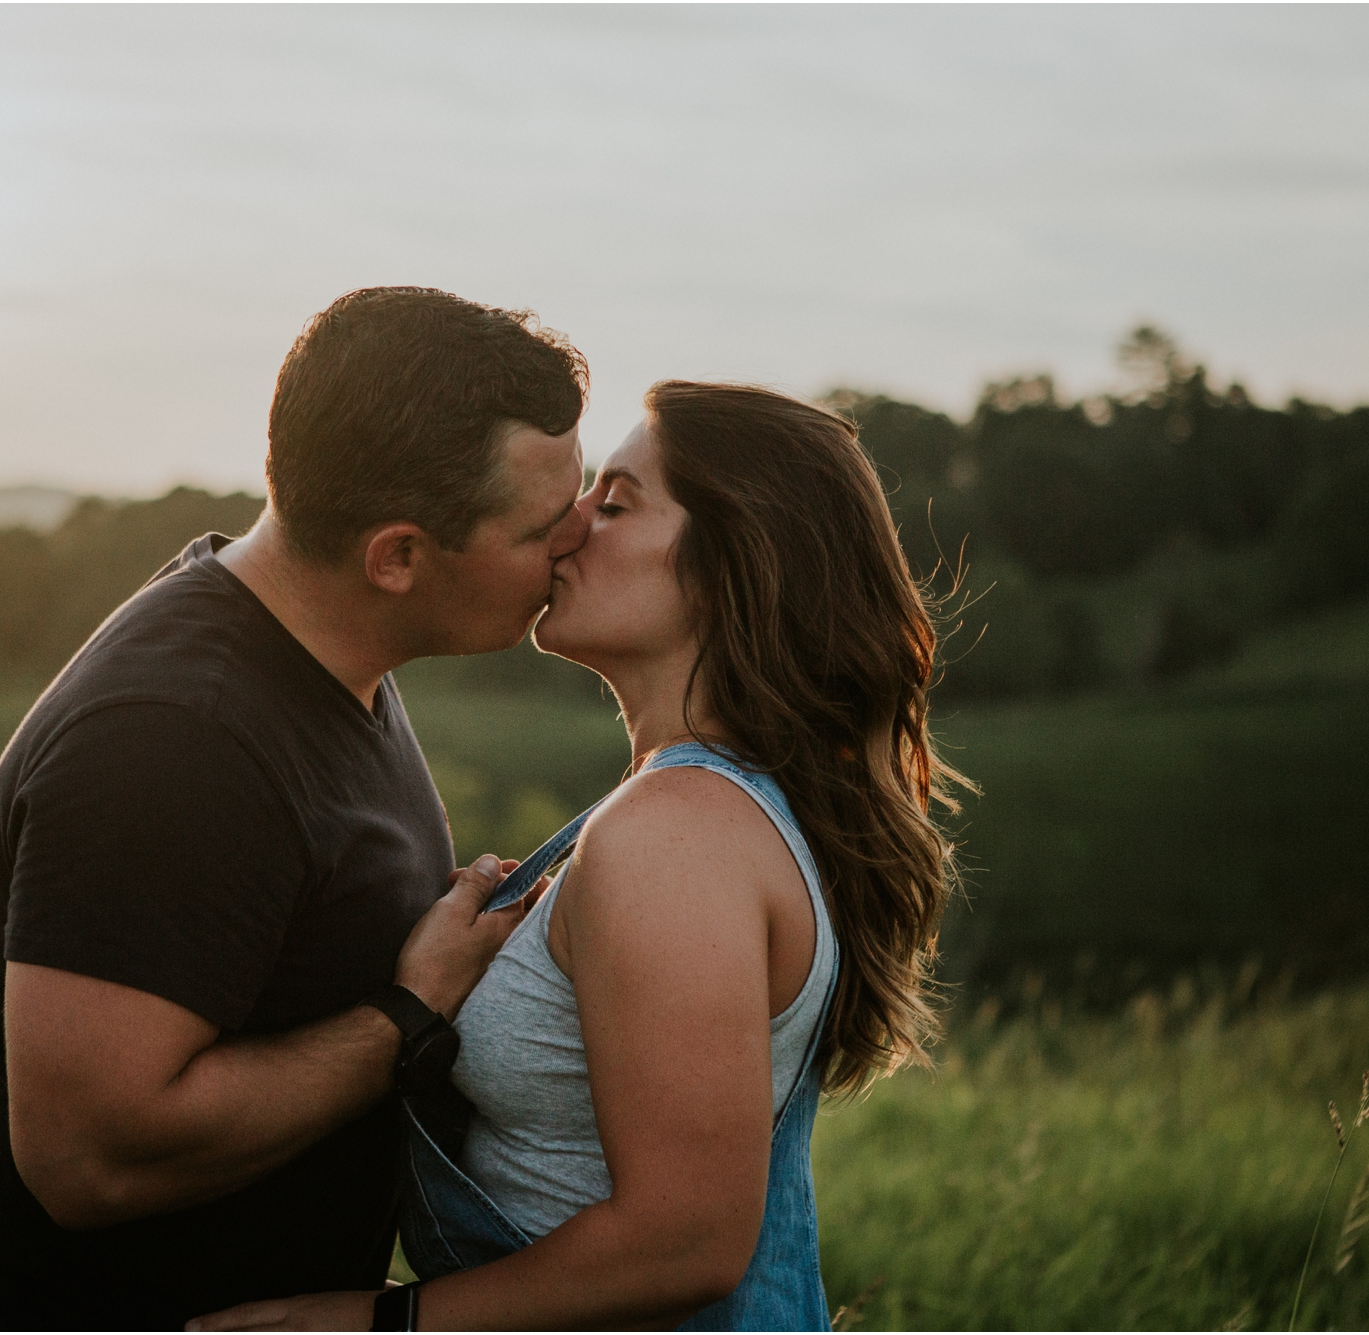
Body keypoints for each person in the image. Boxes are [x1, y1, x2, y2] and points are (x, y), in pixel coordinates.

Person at [193, 381, 968, 1332]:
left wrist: (369, 1323)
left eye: (615, 503)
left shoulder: (676, 832)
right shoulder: (702, 807)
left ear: (735, 560)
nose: (568, 532)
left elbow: (684, 1240)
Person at [0, 287, 593, 1330]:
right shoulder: (174, 744)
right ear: (396, 557)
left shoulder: (323, 652)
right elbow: (84, 1160)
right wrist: (405, 1016)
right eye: (544, 524)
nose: (579, 538)